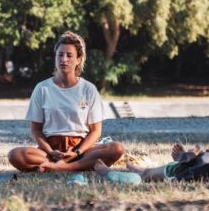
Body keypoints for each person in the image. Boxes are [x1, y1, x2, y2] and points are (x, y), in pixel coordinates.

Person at [7, 31, 124, 173]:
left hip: (81, 152)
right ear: (55, 57)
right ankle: (57, 164)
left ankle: (64, 167)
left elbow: (95, 131)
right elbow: (35, 130)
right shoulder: (42, 88)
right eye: (60, 55)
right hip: (50, 152)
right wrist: (50, 151)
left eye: (69, 55)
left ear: (79, 59)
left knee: (116, 148)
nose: (64, 59)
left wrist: (77, 152)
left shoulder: (89, 89)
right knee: (15, 155)